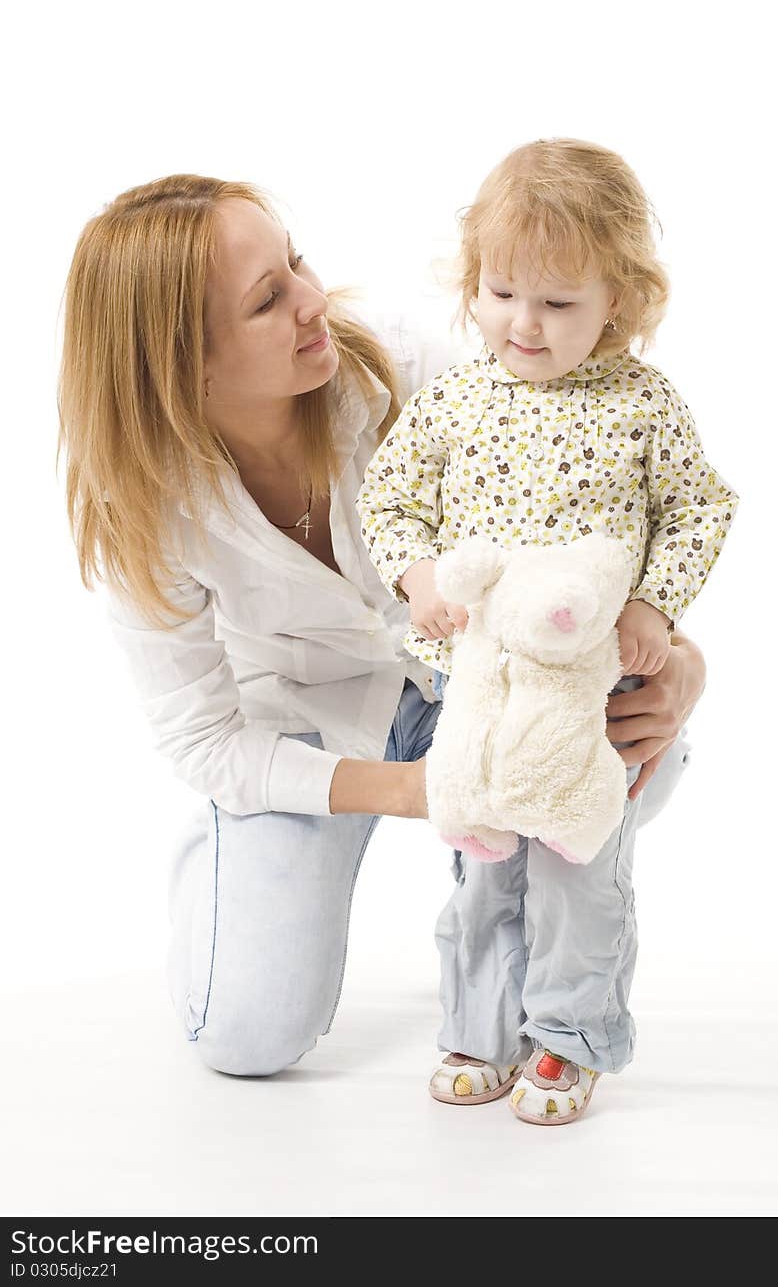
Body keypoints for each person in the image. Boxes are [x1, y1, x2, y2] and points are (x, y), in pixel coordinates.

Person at [57, 172, 708, 1081]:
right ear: (186, 363)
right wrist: (417, 790)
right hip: (309, 729)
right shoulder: (142, 507)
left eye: (297, 263)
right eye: (267, 300)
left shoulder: (425, 370)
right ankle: (241, 860)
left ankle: (528, 973)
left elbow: (600, 528)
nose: (314, 300)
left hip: (480, 677)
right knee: (246, 1036)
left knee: (641, 754)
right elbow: (203, 737)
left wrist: (680, 660)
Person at [356, 139, 738, 1124]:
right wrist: (418, 575)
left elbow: (698, 508)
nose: (522, 324)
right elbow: (389, 495)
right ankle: (481, 1025)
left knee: (576, 867)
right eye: (499, 293)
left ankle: (568, 1035)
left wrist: (653, 604)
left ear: (620, 299)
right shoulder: (457, 396)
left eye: (559, 304)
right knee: (483, 862)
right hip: (474, 689)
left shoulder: (641, 404)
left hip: (590, 695)